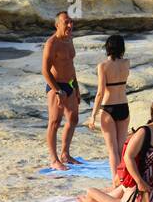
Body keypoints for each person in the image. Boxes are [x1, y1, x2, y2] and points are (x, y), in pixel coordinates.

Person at [42, 11, 83, 171]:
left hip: (70, 84)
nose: (70, 25)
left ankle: (65, 154)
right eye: (66, 22)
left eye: (71, 22)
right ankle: (54, 159)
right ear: (57, 24)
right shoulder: (52, 43)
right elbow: (45, 71)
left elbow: (71, 66)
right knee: (54, 122)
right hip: (55, 86)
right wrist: (58, 90)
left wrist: (76, 87)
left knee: (73, 119)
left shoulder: (69, 40)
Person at [88, 34, 131, 185]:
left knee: (112, 150)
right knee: (121, 148)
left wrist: (93, 115)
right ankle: (124, 180)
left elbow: (100, 92)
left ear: (107, 47)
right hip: (123, 106)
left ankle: (116, 182)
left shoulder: (103, 66)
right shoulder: (126, 63)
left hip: (108, 108)